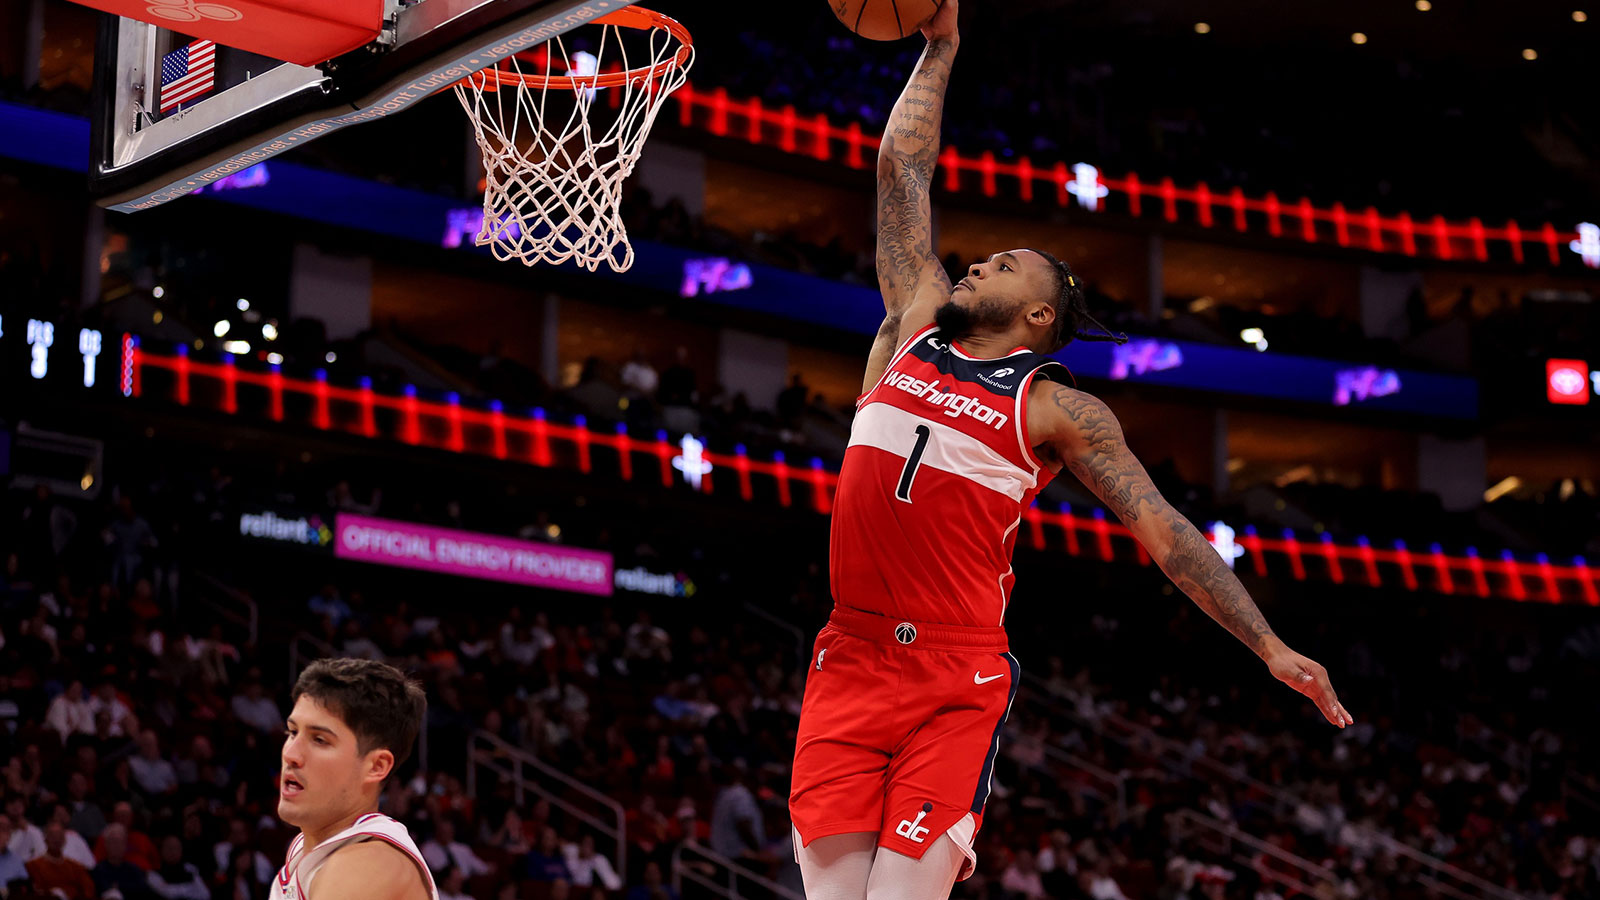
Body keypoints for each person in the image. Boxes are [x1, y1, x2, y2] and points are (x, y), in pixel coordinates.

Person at [787, 3, 1352, 899]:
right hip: (847, 657)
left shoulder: (1056, 408)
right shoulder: (914, 324)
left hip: (951, 674)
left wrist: (1268, 644)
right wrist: (941, 46)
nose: (976, 266)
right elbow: (902, 167)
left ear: (1040, 315)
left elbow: (1163, 531)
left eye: (1005, 266)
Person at [274, 657, 436, 900]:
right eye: (293, 732)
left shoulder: (368, 863)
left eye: (320, 740)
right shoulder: (309, 852)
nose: (291, 753)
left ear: (376, 767)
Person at [28, 822, 96, 899]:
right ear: (45, 839)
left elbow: (89, 889)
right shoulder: (33, 866)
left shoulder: (76, 867)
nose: (56, 840)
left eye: (60, 836)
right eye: (52, 836)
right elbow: (35, 891)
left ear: (64, 839)